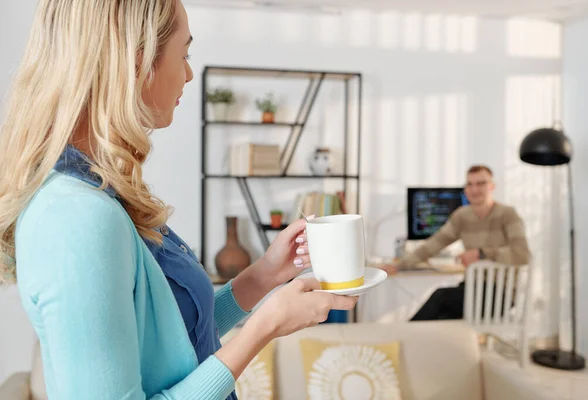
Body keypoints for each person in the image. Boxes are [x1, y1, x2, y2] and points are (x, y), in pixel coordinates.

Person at [0, 1, 357, 399]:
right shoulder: (77, 218)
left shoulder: (96, 188)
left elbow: (176, 336)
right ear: (136, 62)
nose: (188, 73)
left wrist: (265, 276)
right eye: (184, 53)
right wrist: (264, 327)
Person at [381, 165, 530, 321]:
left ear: (492, 186)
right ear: (465, 189)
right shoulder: (462, 216)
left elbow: (522, 254)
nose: (475, 189)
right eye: (470, 184)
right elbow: (433, 245)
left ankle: (404, 338)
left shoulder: (508, 214)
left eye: (481, 183)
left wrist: (481, 253)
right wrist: (399, 266)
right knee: (440, 317)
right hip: (472, 288)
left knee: (440, 297)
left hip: (501, 294)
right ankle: (412, 341)